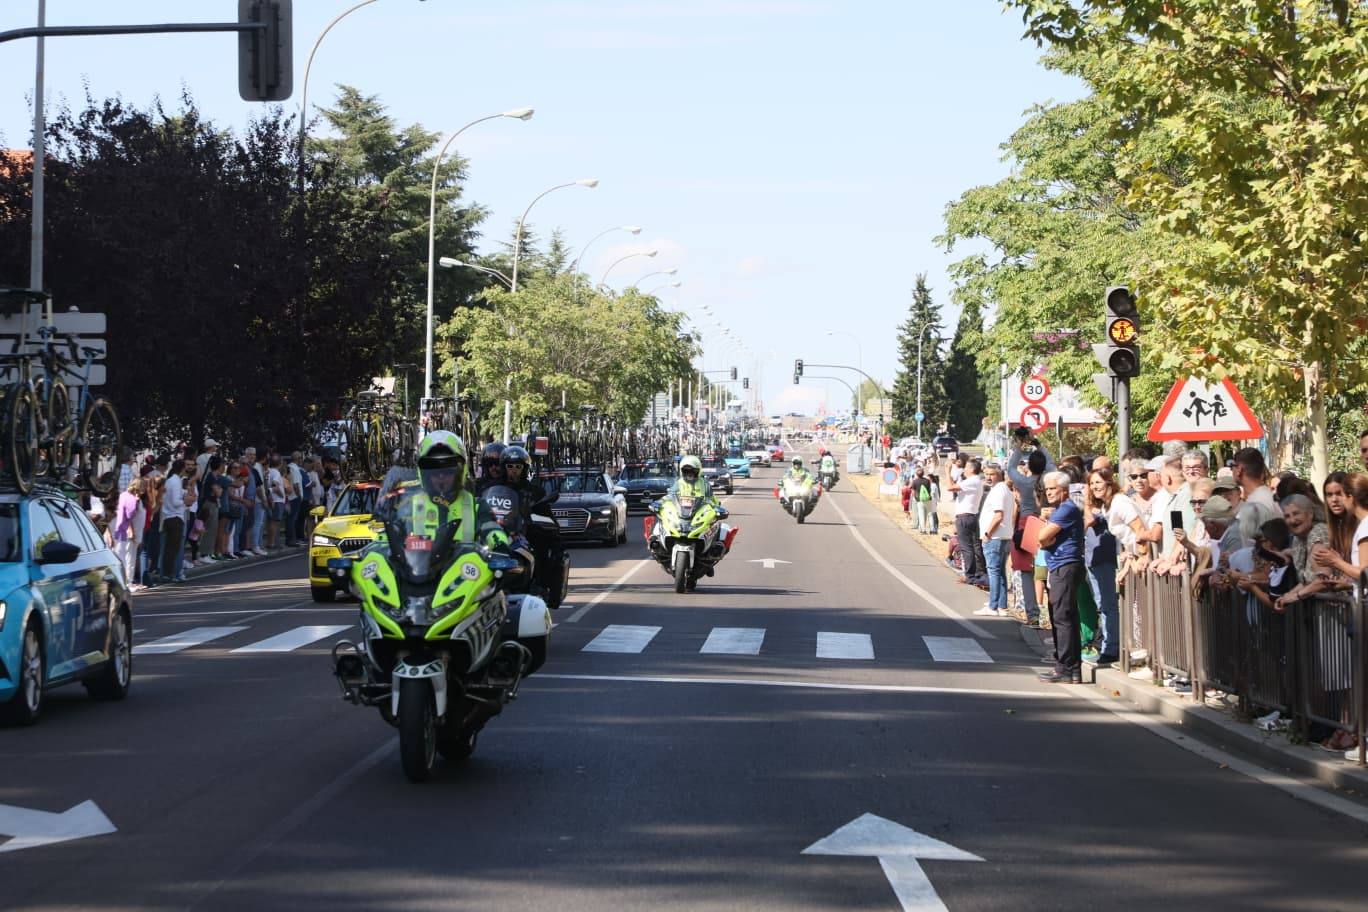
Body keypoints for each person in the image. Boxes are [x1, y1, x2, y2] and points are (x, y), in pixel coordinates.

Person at [381, 431, 510, 554]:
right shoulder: (409, 505)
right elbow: (391, 531)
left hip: (465, 573)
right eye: (434, 471)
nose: (441, 476)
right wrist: (379, 545)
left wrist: (500, 544)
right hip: (418, 572)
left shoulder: (476, 505)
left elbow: (491, 529)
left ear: (460, 472)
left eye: (448, 471)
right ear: (424, 474)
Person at [1083, 467, 1143, 664]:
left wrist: (1139, 555)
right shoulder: (1106, 505)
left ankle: (1113, 649)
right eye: (1091, 484)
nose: (1094, 487)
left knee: (1109, 606)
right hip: (1123, 558)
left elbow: (1140, 530)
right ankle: (1111, 646)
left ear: (1109, 482)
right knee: (1105, 605)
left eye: (1098, 482)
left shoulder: (1119, 502)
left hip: (1135, 558)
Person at [1036, 470, 1086, 684]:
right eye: (1047, 489)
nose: (1049, 493)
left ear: (1064, 491)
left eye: (1053, 489)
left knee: (1062, 618)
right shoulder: (1062, 510)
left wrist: (1045, 538)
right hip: (1062, 565)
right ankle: (1071, 667)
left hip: (1064, 566)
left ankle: (1064, 666)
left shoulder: (1065, 509)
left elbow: (1042, 537)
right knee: (1066, 617)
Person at [975, 464, 1016, 617]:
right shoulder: (1005, 490)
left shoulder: (999, 491)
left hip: (995, 536)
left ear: (999, 474)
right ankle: (1001, 605)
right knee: (1000, 572)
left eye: (991, 474)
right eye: (986, 474)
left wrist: (987, 533)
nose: (988, 477)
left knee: (993, 571)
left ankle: (992, 606)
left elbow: (998, 515)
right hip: (1004, 536)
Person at [948, 458, 987, 588]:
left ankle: (970, 575)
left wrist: (947, 472)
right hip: (971, 516)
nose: (964, 469)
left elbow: (950, 487)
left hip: (965, 517)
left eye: (966, 467)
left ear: (971, 469)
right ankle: (979, 573)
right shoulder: (975, 481)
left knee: (967, 547)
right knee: (974, 546)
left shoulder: (972, 481)